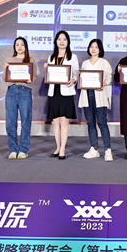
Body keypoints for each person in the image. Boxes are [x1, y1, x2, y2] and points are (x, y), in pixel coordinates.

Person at [44, 30, 79, 160]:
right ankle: (57, 147)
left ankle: (63, 148)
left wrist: (73, 80)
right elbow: (49, 75)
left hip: (66, 91)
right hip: (54, 92)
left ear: (68, 42)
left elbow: (75, 74)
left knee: (64, 120)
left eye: (64, 39)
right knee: (56, 121)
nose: (62, 41)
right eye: (59, 39)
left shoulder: (73, 57)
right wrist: (46, 69)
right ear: (56, 41)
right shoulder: (51, 57)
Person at [78, 39, 113, 161]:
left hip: (100, 95)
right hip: (87, 95)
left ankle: (108, 150)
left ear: (100, 49)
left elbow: (109, 78)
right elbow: (82, 80)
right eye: (91, 47)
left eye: (96, 47)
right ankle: (94, 148)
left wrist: (103, 83)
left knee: (102, 122)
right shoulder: (85, 63)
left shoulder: (104, 62)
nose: (93, 49)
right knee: (90, 123)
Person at [4, 37, 37, 160]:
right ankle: (13, 149)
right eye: (17, 44)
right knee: (10, 122)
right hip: (11, 91)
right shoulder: (9, 60)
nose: (19, 47)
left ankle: (23, 149)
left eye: (22, 44)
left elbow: (34, 76)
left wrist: (30, 80)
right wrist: (6, 69)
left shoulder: (31, 60)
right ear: (14, 46)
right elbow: (5, 78)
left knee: (26, 121)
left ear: (25, 47)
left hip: (25, 91)